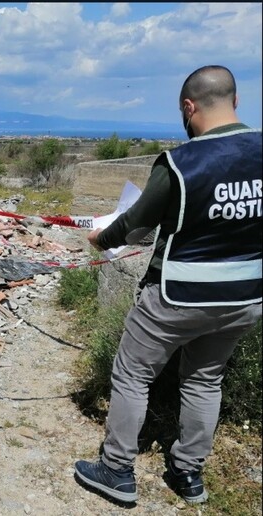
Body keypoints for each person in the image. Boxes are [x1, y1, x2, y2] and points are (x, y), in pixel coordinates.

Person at [74, 65, 262, 505]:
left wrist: (101, 238)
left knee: (133, 372)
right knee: (205, 379)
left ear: (188, 107)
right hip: (245, 297)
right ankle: (187, 473)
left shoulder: (180, 163)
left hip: (178, 296)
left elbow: (136, 225)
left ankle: (117, 469)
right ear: (235, 102)